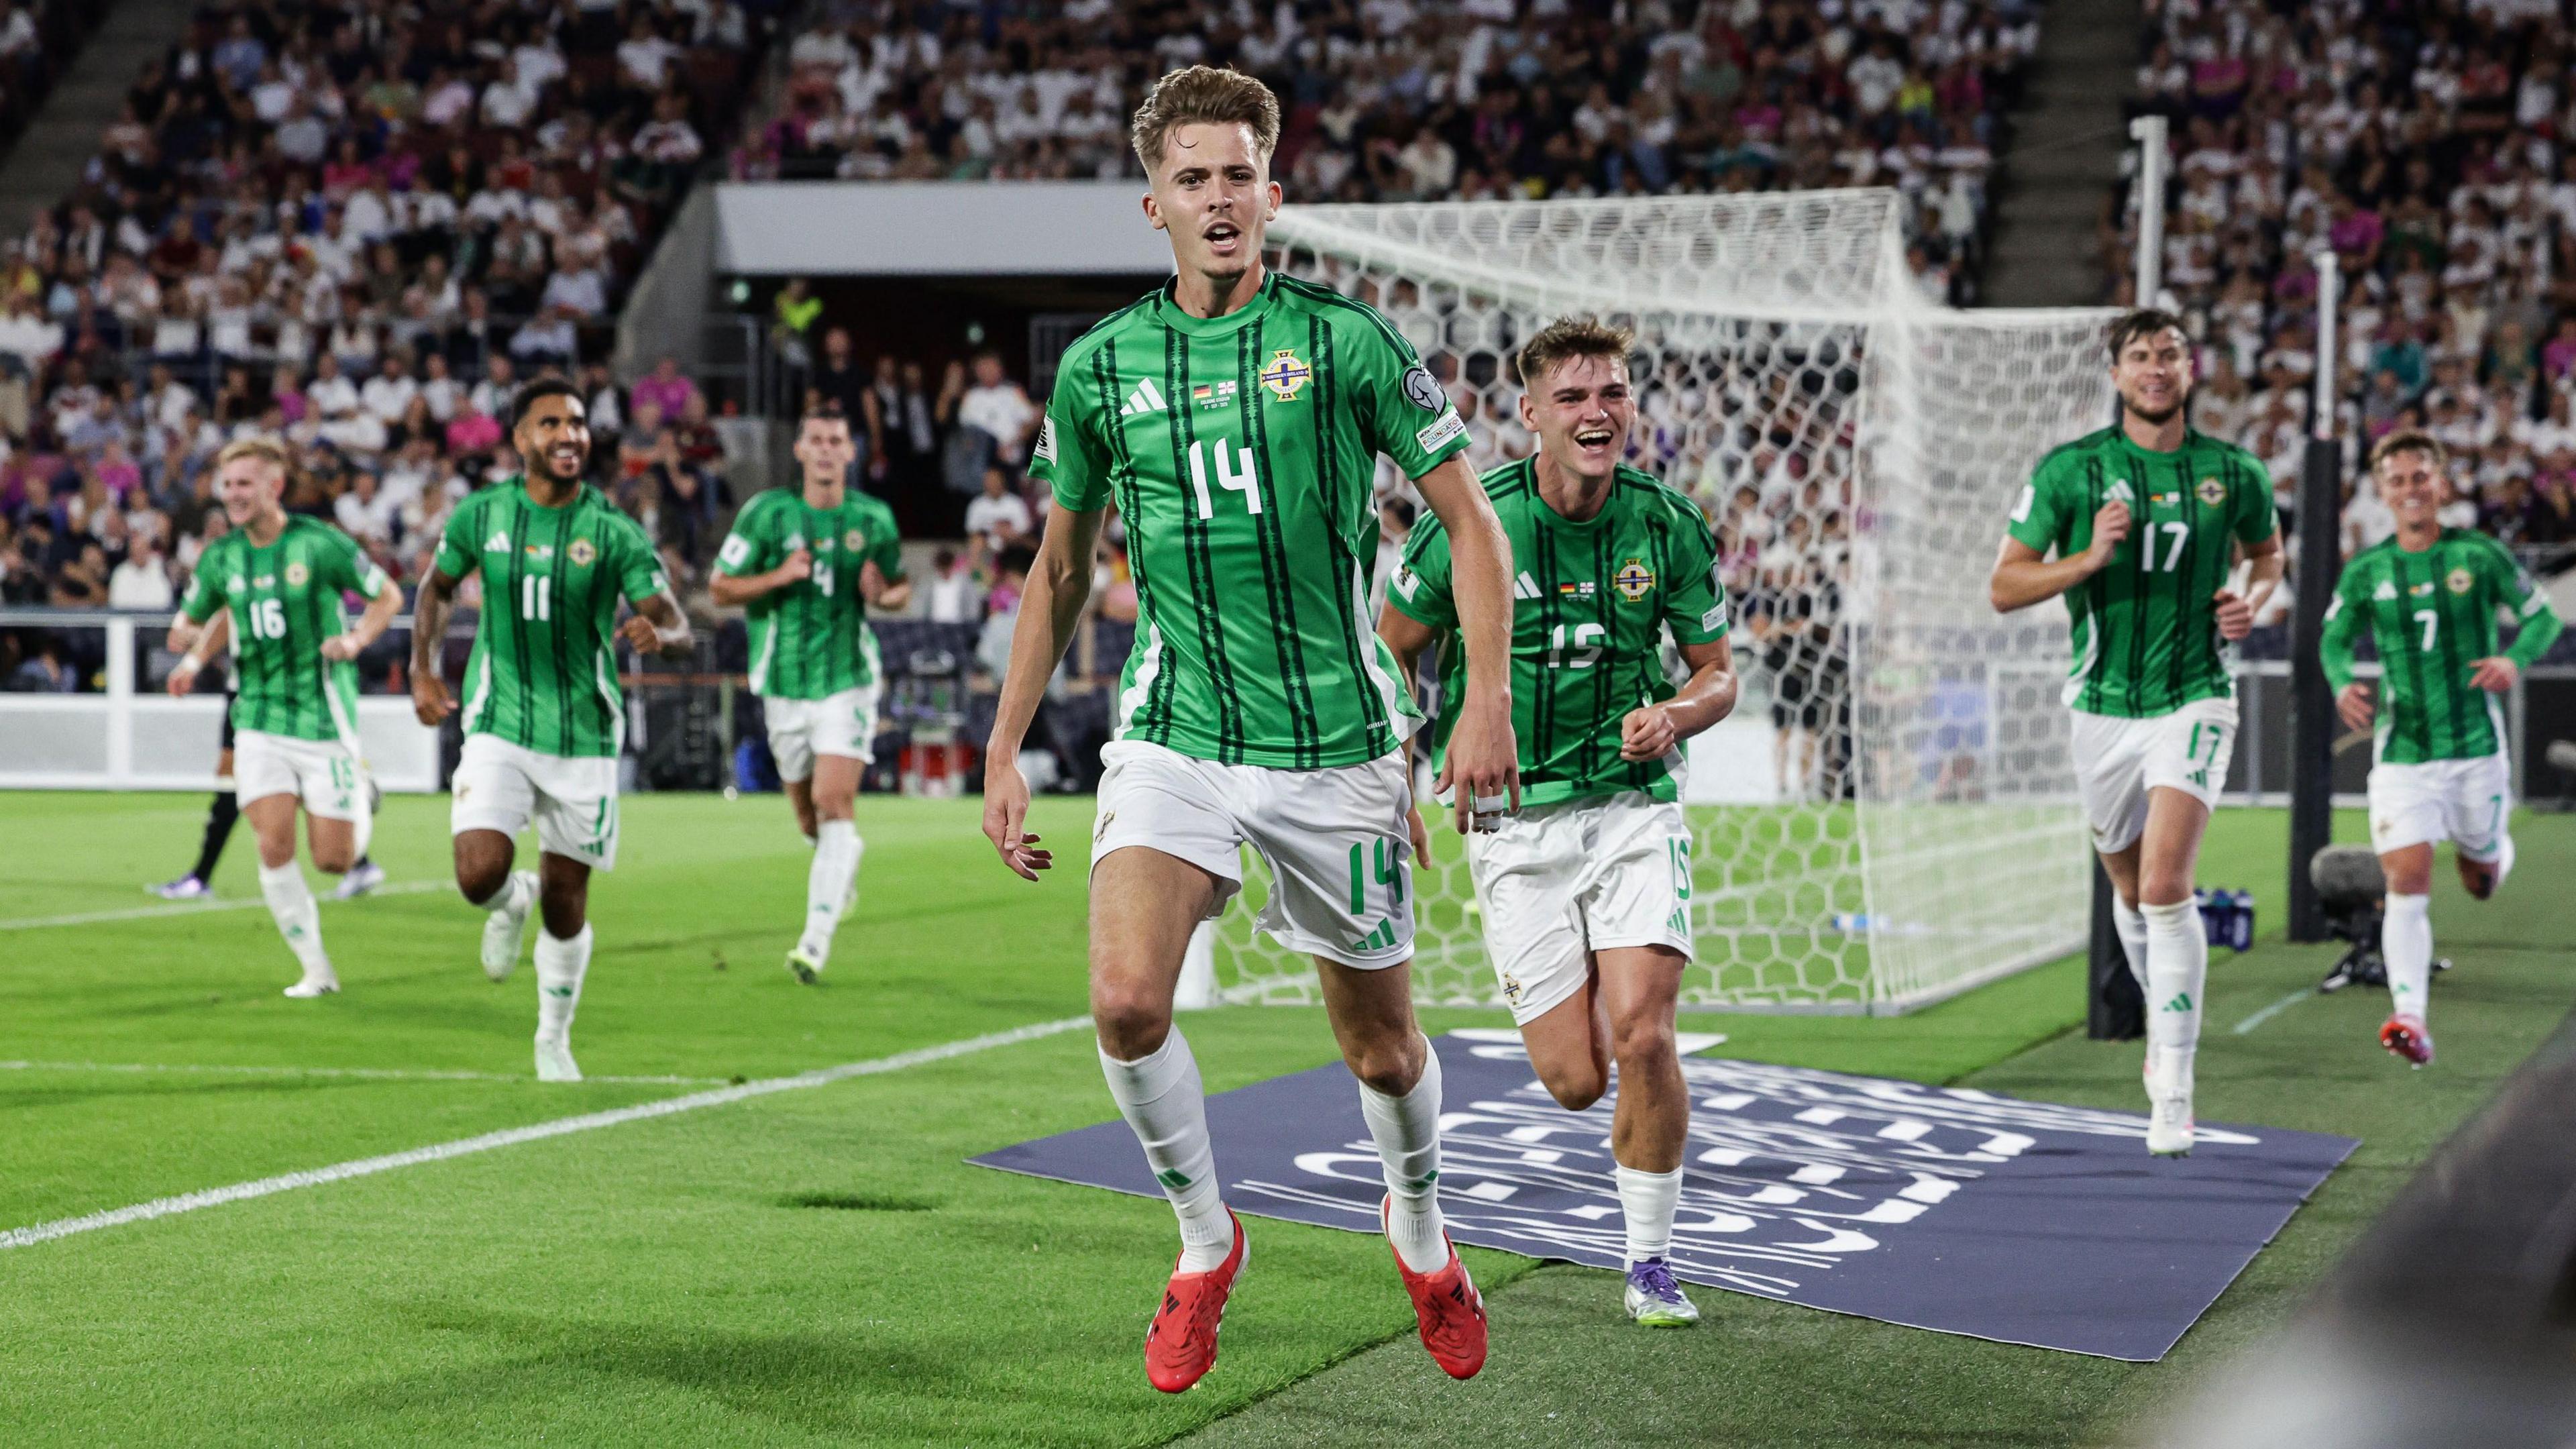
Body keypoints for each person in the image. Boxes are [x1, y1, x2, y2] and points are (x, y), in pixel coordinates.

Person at [979, 65, 1519, 1394]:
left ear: (1272, 194)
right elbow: (1060, 570)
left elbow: (1472, 524)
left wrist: (1484, 700)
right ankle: (1205, 1241)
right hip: (1176, 729)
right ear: (1152, 204)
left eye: (1238, 175)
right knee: (1124, 1004)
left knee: (1380, 1046)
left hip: (1336, 741)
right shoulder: (1101, 367)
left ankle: (1420, 1225)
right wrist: (1003, 745)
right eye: (1193, 179)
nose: (1218, 199)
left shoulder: (1346, 342)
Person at [1377, 316, 1737, 1328]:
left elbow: (1718, 673)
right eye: (1572, 397)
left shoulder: (1667, 524)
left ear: (1632, 406)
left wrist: (1675, 714)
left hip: (1632, 809)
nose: (1596, 412)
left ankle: (1651, 1262)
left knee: (1646, 1034)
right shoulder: (1474, 520)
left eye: (1611, 393)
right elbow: (1392, 651)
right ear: (1530, 413)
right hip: (1514, 823)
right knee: (1576, 1080)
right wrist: (1402, 781)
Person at [1988, 309, 2284, 1157]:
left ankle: (2174, 1084)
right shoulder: (2072, 470)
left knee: (2164, 887)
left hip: (2196, 695)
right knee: (2128, 889)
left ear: (2192, 371)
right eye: (2142, 355)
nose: (2158, 367)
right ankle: (2165, 1021)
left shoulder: (2235, 471)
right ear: (2116, 374)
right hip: (2101, 707)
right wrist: (2087, 559)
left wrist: (2251, 602)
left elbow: (2268, 557)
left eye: (2172, 355)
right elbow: (2005, 587)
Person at [409, 380, 695, 1081]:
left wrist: (661, 635)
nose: (569, 435)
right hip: (498, 720)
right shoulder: (482, 514)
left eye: (577, 423)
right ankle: (511, 902)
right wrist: (422, 669)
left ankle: (553, 1038)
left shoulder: (612, 529)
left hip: (582, 734)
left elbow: (676, 619)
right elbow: (437, 588)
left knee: (567, 901)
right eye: (551, 424)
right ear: (520, 439)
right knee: (478, 874)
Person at [2322, 431, 2561, 1067]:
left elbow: (2543, 618)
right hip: (2404, 752)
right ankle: (2411, 1018)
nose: (2411, 489)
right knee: (2407, 878)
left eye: (2421, 477)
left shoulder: (2477, 555)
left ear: (2443, 484)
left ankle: (2492, 850)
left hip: (2475, 747)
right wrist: (2342, 682)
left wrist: (2513, 659)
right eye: (2398, 480)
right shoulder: (2367, 570)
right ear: (2382, 491)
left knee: (2480, 881)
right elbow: (2333, 639)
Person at [164, 438, 400, 996]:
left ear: (275, 486)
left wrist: (356, 639)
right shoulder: (222, 556)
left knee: (334, 860)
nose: (233, 495)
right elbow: (217, 612)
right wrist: (191, 650)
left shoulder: (318, 543)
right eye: (227, 485)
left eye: (244, 483)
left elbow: (387, 595)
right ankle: (315, 969)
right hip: (258, 718)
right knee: (272, 846)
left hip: (322, 718)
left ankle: (361, 790)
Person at [710, 402, 910, 982]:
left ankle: (814, 941)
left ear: (850, 452)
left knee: (832, 801)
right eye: (816, 440)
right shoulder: (767, 514)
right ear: (799, 451)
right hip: (782, 684)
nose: (825, 450)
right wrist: (780, 576)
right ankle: (843, 861)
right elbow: (720, 588)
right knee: (807, 819)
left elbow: (899, 589)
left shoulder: (872, 519)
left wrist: (882, 594)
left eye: (835, 440)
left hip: (847, 679)